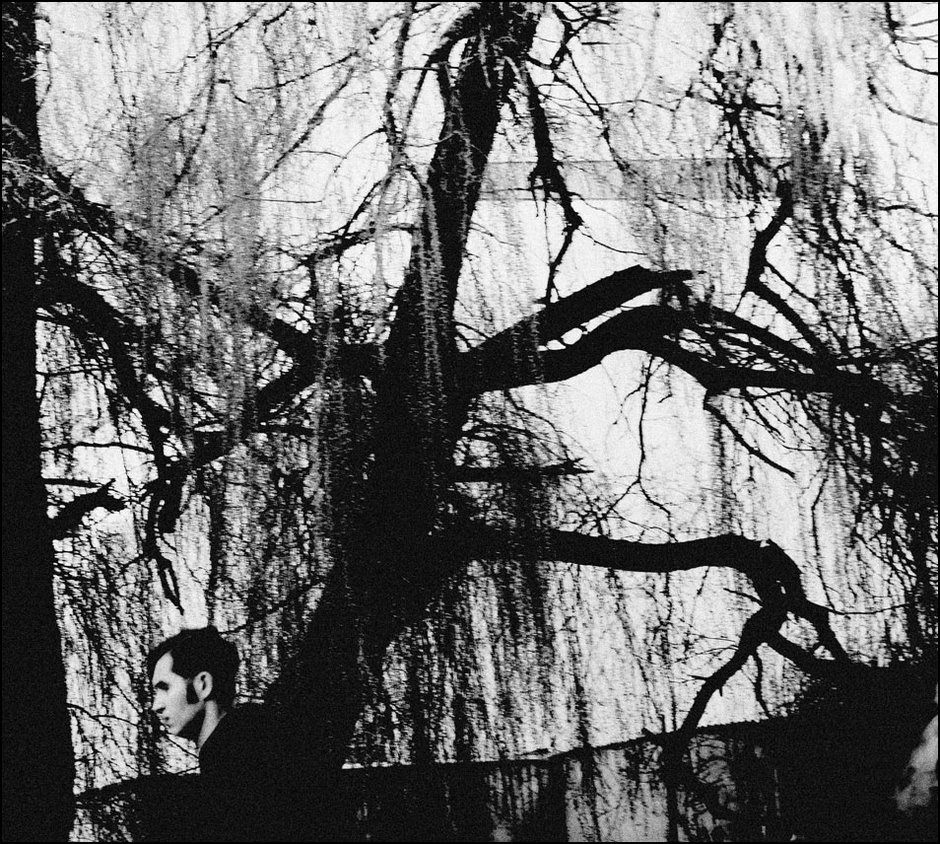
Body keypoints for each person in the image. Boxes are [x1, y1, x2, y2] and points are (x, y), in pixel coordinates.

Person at [147, 626, 318, 841]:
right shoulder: (256, 748)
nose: (156, 706)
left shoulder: (236, 768)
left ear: (203, 685)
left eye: (165, 688)